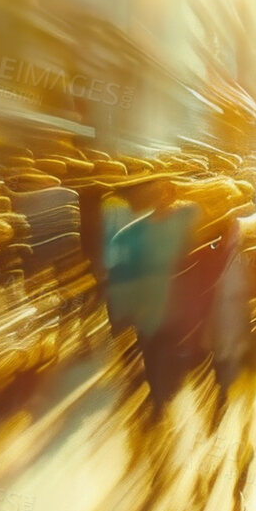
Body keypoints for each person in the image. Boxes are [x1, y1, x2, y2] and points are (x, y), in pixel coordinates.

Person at [107, 176, 204, 425]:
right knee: (151, 352)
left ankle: (165, 393)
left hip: (174, 303)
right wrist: (120, 311)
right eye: (158, 195)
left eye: (168, 195)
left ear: (173, 197)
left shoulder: (184, 220)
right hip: (148, 304)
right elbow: (120, 269)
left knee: (168, 351)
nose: (163, 200)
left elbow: (197, 248)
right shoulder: (135, 231)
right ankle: (159, 400)